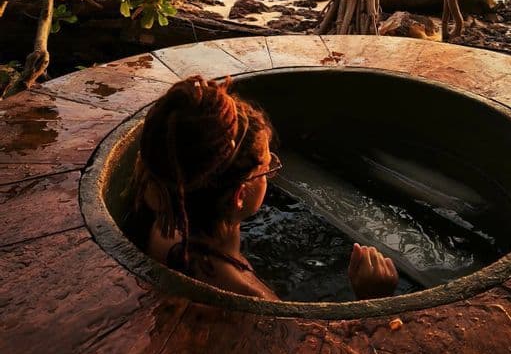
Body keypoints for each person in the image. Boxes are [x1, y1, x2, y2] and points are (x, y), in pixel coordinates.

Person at [131, 75, 399, 301]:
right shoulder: (248, 297)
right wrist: (372, 299)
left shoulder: (168, 220)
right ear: (239, 195)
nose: (271, 176)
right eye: (267, 170)